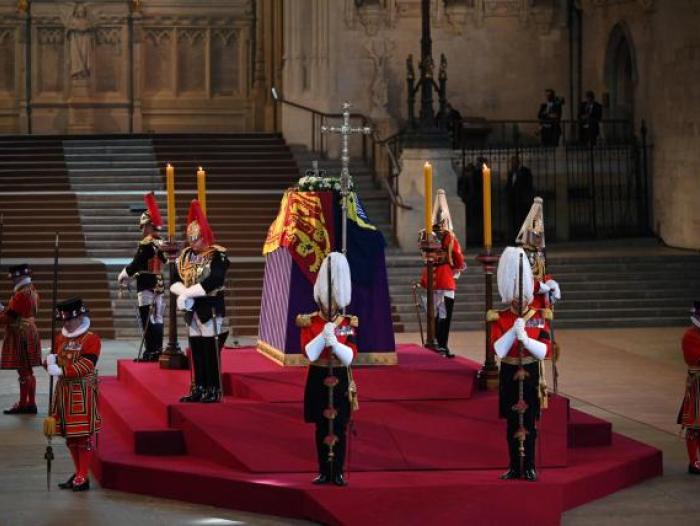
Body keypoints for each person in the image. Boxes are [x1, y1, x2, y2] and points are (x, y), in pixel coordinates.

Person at [296, 252, 358, 487]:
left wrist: (335, 342)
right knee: (321, 426)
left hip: (340, 376)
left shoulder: (347, 323)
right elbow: (308, 353)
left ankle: (338, 471)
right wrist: (324, 336)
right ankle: (324, 470)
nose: (329, 306)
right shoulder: (309, 321)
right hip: (318, 374)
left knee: (339, 425)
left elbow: (350, 356)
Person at [490, 246, 551, 482]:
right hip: (509, 370)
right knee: (512, 423)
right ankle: (515, 466)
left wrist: (526, 338)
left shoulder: (539, 315)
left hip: (532, 371)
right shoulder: (500, 316)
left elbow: (545, 350)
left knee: (531, 423)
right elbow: (497, 349)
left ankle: (530, 466)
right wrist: (512, 335)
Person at [170, 200, 230, 403]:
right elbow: (174, 278)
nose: (192, 243)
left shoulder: (217, 255)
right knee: (195, 350)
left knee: (210, 351)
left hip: (210, 307)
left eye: (195, 239)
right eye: (190, 239)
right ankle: (199, 386)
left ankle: (213, 388)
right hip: (192, 309)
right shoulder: (185, 255)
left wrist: (188, 293)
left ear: (204, 237)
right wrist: (182, 293)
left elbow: (215, 279)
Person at [45, 297, 102, 491]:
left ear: (80, 317)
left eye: (70, 320)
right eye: (64, 320)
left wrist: (61, 370)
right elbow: (54, 362)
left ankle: (83, 475)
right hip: (63, 392)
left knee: (82, 436)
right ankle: (79, 473)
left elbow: (87, 365)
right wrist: (49, 362)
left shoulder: (91, 339)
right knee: (70, 436)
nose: (67, 324)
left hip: (81, 393)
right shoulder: (60, 338)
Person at [118, 192, 167, 362]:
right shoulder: (160, 242)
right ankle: (157, 349)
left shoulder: (147, 243)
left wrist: (124, 275)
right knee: (158, 318)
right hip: (159, 283)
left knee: (147, 318)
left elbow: (136, 264)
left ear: (149, 226)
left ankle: (150, 351)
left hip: (146, 285)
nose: (142, 230)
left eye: (144, 226)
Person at [419, 190, 466, 357]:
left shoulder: (427, 235)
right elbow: (458, 258)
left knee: (433, 314)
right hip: (445, 279)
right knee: (444, 316)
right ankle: (442, 346)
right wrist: (456, 269)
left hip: (431, 278)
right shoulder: (449, 236)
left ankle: (433, 343)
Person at [1, 264, 42, 415]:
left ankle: (27, 404)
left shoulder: (21, 294)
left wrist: (2, 312)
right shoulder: (31, 289)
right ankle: (28, 403)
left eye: (13, 277)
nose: (12, 280)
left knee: (24, 371)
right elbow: (16, 311)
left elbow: (9, 317)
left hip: (20, 333)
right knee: (26, 371)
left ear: (18, 276)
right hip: (28, 330)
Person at [678, 301, 700, 475]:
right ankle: (694, 462)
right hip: (698, 384)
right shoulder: (690, 336)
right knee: (695, 424)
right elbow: (695, 359)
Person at [506, 156, 535, 241]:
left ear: (518, 163)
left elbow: (528, 185)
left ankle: (524, 238)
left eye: (514, 162)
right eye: (511, 162)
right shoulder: (511, 173)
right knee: (514, 221)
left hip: (523, 202)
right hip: (513, 202)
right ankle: (515, 238)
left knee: (523, 221)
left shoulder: (525, 171)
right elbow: (509, 185)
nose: (512, 164)